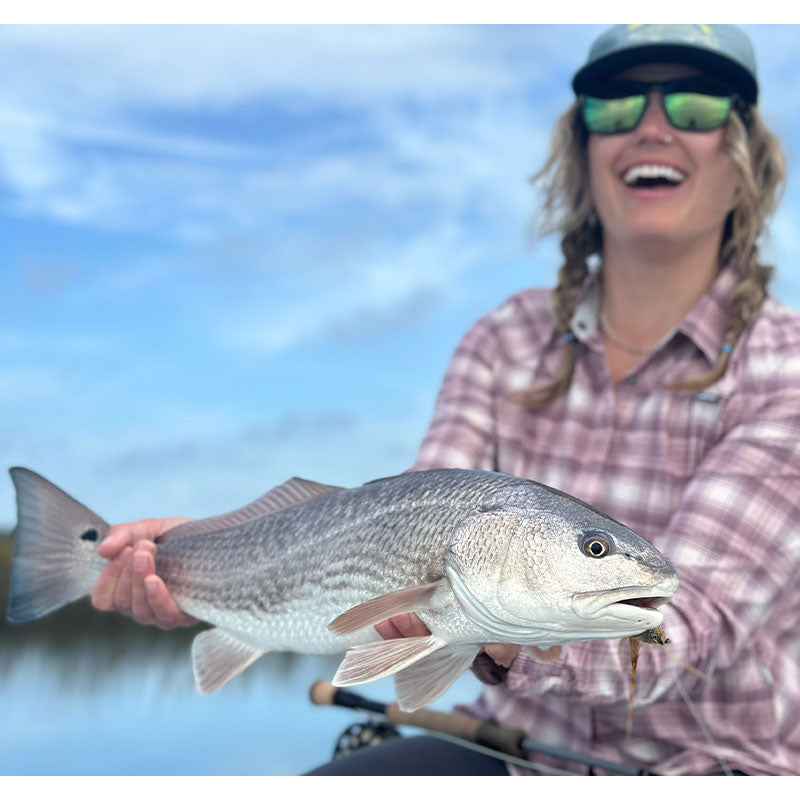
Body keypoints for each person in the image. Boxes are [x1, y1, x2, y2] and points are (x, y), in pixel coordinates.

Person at [91, 25, 799, 775]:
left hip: (724, 768)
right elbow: (415, 508)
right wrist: (200, 553)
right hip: (504, 759)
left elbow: (685, 628)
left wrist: (511, 635)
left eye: (694, 104)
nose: (652, 126)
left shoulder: (786, 367)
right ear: (582, 152)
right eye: (615, 105)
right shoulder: (503, 339)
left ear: (742, 157)